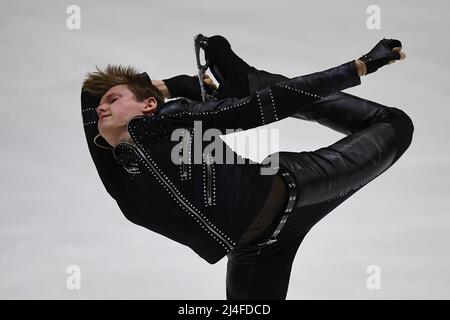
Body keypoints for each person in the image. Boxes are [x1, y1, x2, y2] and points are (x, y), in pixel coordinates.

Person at [80, 35, 413, 300]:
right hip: (256, 252)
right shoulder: (119, 175)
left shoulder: (172, 121)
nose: (101, 108)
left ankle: (252, 80)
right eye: (101, 106)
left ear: (150, 106)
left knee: (395, 124)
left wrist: (357, 67)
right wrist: (160, 87)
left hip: (301, 184)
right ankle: (247, 81)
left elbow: (264, 106)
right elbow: (86, 95)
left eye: (113, 99)